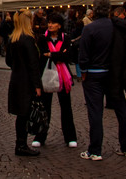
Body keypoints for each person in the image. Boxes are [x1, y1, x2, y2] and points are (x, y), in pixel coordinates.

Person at [79, 0, 126, 161]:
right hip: (113, 74)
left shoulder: (90, 29)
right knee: (122, 110)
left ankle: (95, 150)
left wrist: (83, 71)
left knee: (95, 112)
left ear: (95, 11)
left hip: (94, 73)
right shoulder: (116, 27)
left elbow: (84, 54)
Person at [33, 12, 77, 149]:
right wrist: (58, 54)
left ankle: (70, 137)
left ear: (59, 25)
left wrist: (51, 54)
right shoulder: (42, 38)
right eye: (49, 23)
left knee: (66, 107)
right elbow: (41, 55)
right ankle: (40, 136)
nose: (50, 25)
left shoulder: (65, 38)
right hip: (46, 75)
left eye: (53, 23)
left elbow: (68, 56)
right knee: (44, 108)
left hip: (63, 77)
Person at [5, 8, 42, 157]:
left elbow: (8, 61)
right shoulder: (28, 39)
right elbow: (34, 65)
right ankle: (21, 145)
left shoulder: (12, 38)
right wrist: (37, 85)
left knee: (21, 115)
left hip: (16, 80)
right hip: (27, 82)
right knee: (25, 114)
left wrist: (17, 66)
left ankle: (20, 143)